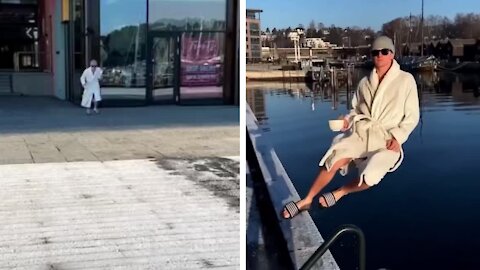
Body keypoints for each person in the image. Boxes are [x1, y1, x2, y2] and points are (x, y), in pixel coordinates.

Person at [282, 36, 420, 219]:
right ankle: (306, 200)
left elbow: (412, 116)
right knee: (334, 158)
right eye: (375, 52)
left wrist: (398, 137)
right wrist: (347, 120)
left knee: (372, 176)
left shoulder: (406, 80)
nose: (379, 56)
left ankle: (342, 192)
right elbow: (354, 109)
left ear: (392, 54)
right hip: (362, 132)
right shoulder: (365, 82)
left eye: (384, 51)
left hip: (386, 139)